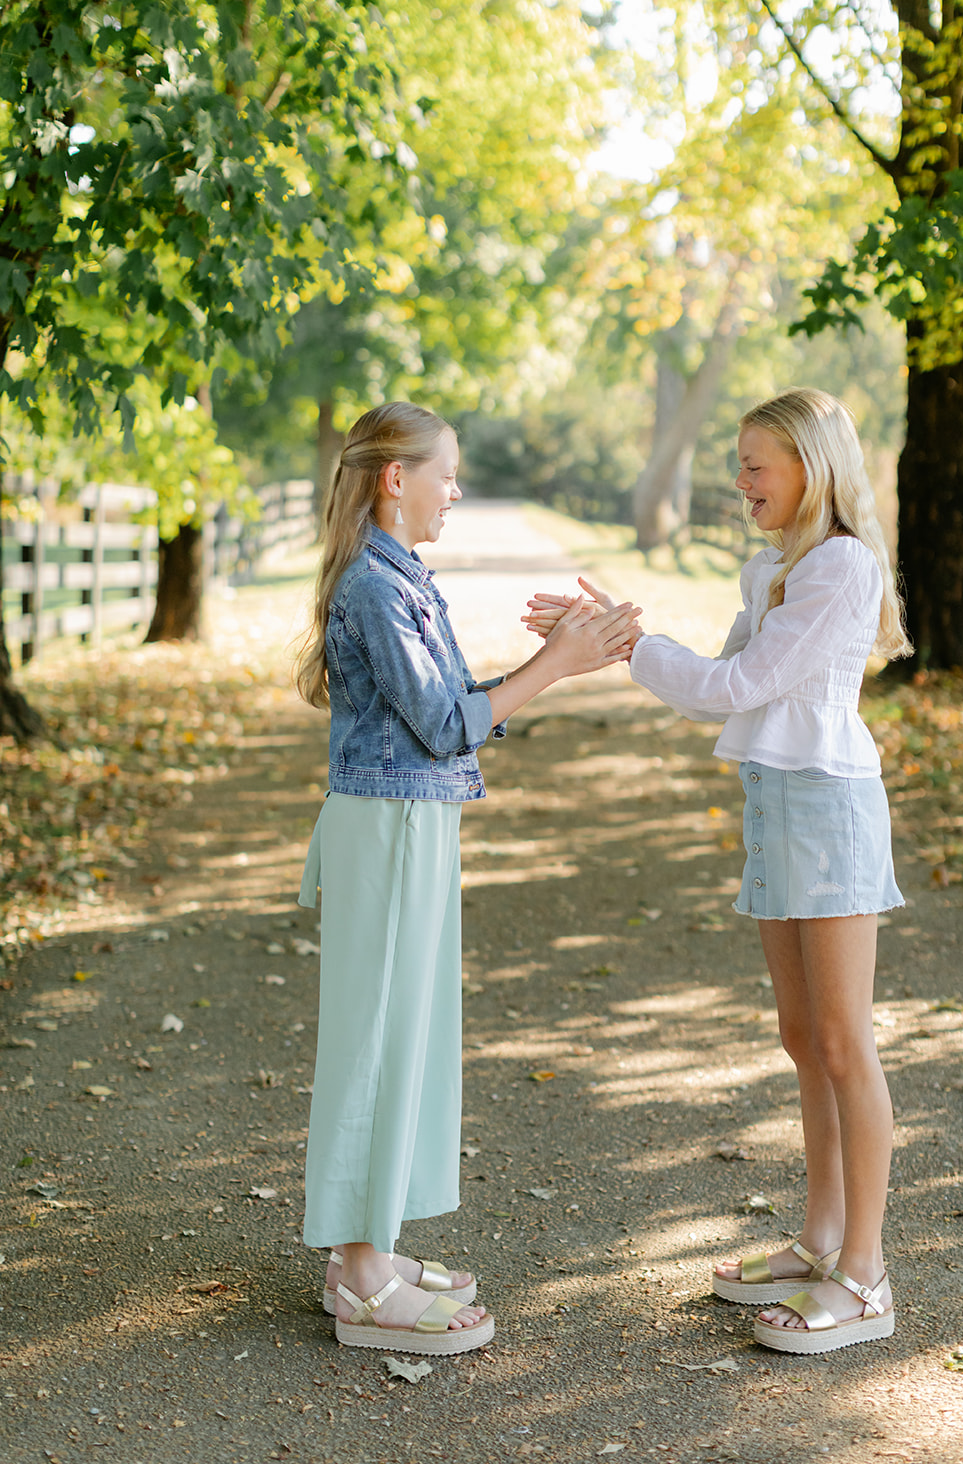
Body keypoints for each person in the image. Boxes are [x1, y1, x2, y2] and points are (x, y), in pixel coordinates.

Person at [524, 387, 910, 1355]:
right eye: (736, 463)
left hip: (827, 806)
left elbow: (738, 686)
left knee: (840, 1039)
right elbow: (717, 683)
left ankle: (863, 1275)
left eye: (753, 464)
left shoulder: (841, 570)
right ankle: (820, 1235)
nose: (738, 481)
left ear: (808, 468)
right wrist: (619, 635)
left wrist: (622, 643)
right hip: (774, 803)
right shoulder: (769, 569)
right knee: (798, 1034)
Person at [294, 401, 640, 1357]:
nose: (455, 490)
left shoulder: (399, 576)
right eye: (445, 473)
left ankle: (367, 1251)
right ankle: (363, 1280)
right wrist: (557, 666)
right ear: (393, 478)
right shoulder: (372, 585)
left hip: (412, 822)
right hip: (388, 830)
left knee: (404, 1033)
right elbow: (447, 725)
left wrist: (558, 653)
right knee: (375, 1036)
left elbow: (443, 707)